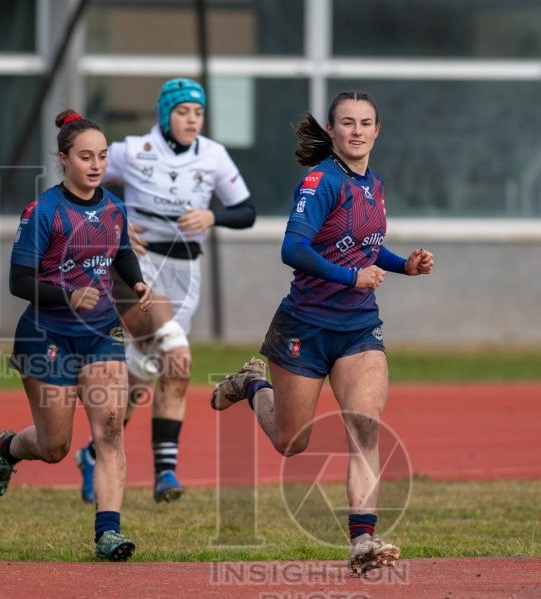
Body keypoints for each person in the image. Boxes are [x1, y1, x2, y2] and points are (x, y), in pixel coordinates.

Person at [210, 91, 434, 574]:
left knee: (365, 425)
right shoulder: (321, 181)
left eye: (366, 122)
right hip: (305, 327)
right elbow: (294, 249)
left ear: (378, 130)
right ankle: (252, 385)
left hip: (359, 327)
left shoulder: (373, 185)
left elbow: (365, 246)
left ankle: (363, 541)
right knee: (292, 442)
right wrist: (349, 277)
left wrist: (403, 266)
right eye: (347, 122)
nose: (357, 130)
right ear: (332, 131)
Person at [75, 78, 256, 504]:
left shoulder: (213, 155)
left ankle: (90, 454)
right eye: (182, 111)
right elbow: (81, 182)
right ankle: (166, 474)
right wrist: (115, 219)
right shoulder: (132, 150)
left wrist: (213, 217)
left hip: (187, 271)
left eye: (198, 112)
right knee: (178, 358)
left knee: (142, 380)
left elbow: (247, 211)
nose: (192, 119)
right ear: (165, 114)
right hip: (139, 270)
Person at [0, 109, 152, 561]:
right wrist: (66, 295)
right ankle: (9, 447)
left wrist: (135, 282)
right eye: (85, 157)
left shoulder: (113, 208)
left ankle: (108, 532)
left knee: (110, 429)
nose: (95, 165)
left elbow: (120, 254)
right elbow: (19, 282)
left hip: (101, 333)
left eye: (101, 156)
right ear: (64, 159)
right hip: (47, 334)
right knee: (54, 445)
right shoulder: (43, 212)